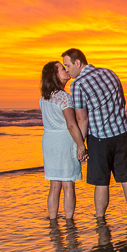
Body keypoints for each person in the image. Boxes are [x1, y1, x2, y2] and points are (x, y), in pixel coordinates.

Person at [62, 48, 127, 218]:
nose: (67, 70)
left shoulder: (78, 84)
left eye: (67, 66)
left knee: (101, 183)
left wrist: (80, 146)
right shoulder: (109, 73)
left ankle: (100, 220)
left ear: (78, 62)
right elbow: (122, 101)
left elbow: (82, 119)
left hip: (100, 139)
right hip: (122, 135)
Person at [39, 61, 87, 220]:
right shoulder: (64, 98)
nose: (66, 70)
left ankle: (52, 220)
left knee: (54, 185)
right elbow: (71, 125)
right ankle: (69, 221)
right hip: (63, 142)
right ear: (54, 75)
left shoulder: (44, 98)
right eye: (62, 68)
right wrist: (81, 145)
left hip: (49, 142)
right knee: (68, 184)